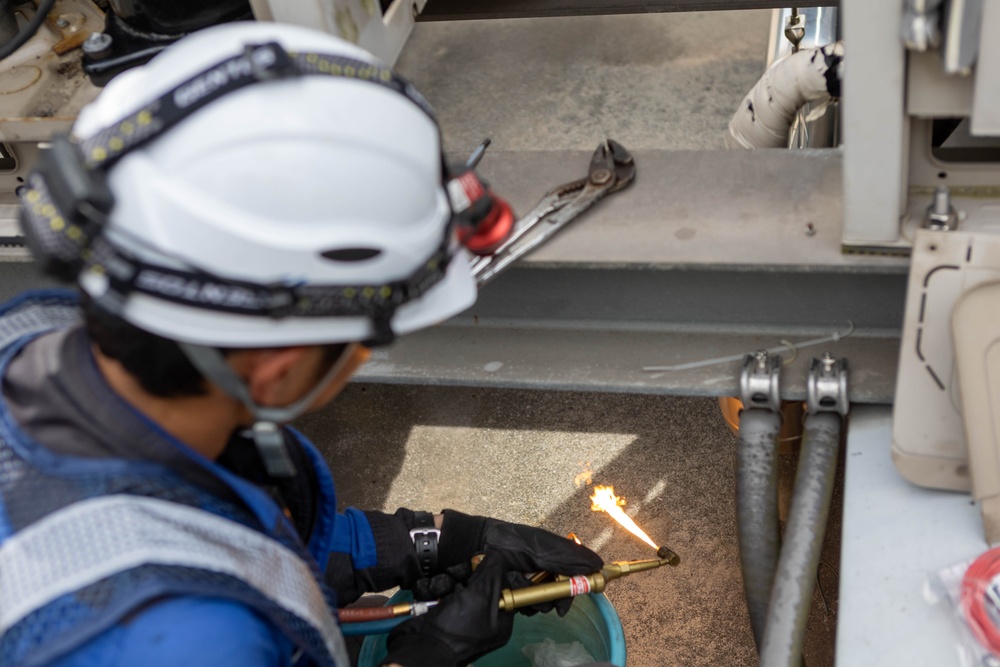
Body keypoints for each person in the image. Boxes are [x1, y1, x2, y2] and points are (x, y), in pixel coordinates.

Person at [1, 21, 604, 667]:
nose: (365, 356)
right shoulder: (191, 641)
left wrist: (433, 539)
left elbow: (224, 520)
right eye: (366, 341)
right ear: (276, 372)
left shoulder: (42, 341)